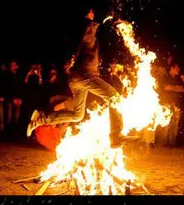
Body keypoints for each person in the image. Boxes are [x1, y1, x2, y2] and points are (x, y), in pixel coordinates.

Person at [26, 8, 119, 138]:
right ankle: (116, 136)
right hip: (84, 75)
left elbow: (80, 44)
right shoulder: (87, 26)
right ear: (86, 14)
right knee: (114, 96)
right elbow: (79, 43)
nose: (93, 13)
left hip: (77, 78)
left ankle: (40, 119)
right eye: (91, 11)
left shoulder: (85, 29)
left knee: (77, 115)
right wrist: (71, 59)